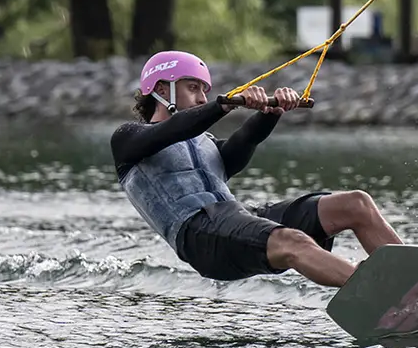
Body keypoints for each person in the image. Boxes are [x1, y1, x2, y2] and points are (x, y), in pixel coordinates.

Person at [114, 50, 401, 288]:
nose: (202, 98)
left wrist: (269, 113)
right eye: (193, 88)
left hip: (236, 217)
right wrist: (221, 107)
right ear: (162, 90)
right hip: (200, 237)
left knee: (355, 204)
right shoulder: (129, 139)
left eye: (205, 90)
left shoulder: (207, 144)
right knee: (292, 241)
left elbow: (242, 144)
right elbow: (172, 130)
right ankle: (376, 293)